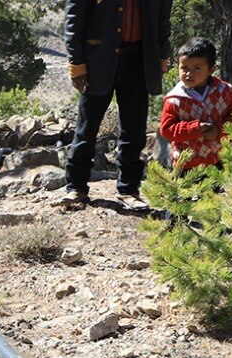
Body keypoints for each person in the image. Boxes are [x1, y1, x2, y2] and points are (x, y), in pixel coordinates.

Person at [62, 0, 173, 209]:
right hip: (97, 61)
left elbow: (163, 19)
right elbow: (73, 20)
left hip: (139, 60)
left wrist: (162, 55)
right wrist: (77, 64)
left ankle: (129, 189)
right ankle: (76, 187)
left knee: (134, 129)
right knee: (87, 128)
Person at [159, 38, 232, 171]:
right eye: (184, 68)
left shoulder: (225, 91)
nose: (188, 73)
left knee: (215, 191)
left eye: (197, 68)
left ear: (211, 69)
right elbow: (166, 129)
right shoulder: (174, 99)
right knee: (187, 192)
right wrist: (195, 129)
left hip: (219, 158)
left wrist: (219, 131)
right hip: (187, 164)